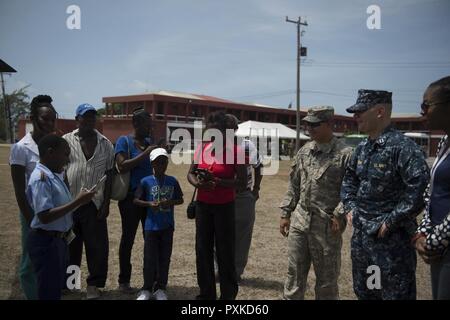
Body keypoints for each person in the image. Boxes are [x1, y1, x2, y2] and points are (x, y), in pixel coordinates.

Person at [341, 89, 430, 300]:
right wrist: (350, 207)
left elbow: (420, 188)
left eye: (361, 111)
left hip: (391, 243)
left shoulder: (403, 148)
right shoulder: (362, 148)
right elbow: (349, 180)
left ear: (380, 111)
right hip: (362, 240)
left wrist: (391, 220)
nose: (355, 116)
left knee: (393, 295)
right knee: (367, 293)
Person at [279, 106, 352, 300]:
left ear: (329, 124)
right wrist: (286, 213)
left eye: (314, 125)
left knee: (326, 281)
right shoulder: (304, 151)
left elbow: (352, 190)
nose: (309, 128)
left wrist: (340, 213)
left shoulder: (346, 154)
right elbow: (294, 185)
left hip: (327, 226)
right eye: (306, 124)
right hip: (300, 222)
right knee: (294, 276)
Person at [26, 134, 96, 300]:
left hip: (57, 241)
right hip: (46, 242)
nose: (67, 160)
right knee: (48, 292)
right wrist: (78, 201)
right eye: (65, 154)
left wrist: (79, 199)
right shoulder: (41, 178)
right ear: (50, 153)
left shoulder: (53, 175)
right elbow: (44, 216)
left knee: (54, 289)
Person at [187, 111, 247, 300]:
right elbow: (191, 173)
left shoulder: (236, 151)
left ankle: (228, 296)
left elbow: (242, 183)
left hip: (225, 207)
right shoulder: (201, 148)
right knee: (202, 251)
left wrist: (218, 181)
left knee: (225, 252)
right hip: (203, 206)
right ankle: (206, 295)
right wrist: (198, 183)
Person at [63, 103, 115, 300]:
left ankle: (94, 285)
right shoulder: (66, 141)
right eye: (86, 116)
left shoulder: (105, 144)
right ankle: (71, 283)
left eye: (93, 116)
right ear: (78, 119)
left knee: (97, 247)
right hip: (71, 203)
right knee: (71, 245)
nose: (90, 120)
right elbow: (61, 170)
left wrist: (106, 203)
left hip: (95, 205)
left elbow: (109, 174)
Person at [9, 94, 57, 300]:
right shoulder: (21, 148)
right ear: (33, 118)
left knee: (49, 259)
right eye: (45, 118)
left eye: (52, 119)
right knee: (30, 262)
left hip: (53, 212)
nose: (49, 123)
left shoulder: (53, 146)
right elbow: (20, 191)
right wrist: (32, 221)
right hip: (32, 213)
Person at [413, 76, 450, 300]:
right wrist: (424, 231)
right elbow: (432, 192)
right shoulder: (445, 141)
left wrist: (435, 240)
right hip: (439, 249)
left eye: (426, 105)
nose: (422, 112)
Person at [115, 107, 159, 292]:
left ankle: (151, 280)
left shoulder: (149, 142)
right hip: (131, 199)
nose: (149, 128)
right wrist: (146, 153)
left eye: (150, 125)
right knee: (128, 239)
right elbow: (122, 166)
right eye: (146, 125)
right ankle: (124, 281)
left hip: (149, 198)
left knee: (150, 238)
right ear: (135, 124)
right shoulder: (124, 141)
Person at [134, 148, 184, 300]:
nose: (161, 165)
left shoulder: (172, 181)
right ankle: (146, 289)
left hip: (167, 226)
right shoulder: (145, 181)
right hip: (151, 226)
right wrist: (149, 204)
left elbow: (180, 199)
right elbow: (136, 200)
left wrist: (171, 202)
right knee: (149, 258)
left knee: (164, 258)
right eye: (157, 162)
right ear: (152, 164)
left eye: (164, 162)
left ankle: (161, 288)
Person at [224, 114, 263, 281]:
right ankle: (220, 269)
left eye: (231, 126)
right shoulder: (214, 146)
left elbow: (259, 166)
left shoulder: (246, 145)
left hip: (243, 197)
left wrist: (256, 189)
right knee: (220, 234)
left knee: (242, 236)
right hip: (221, 196)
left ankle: (236, 271)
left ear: (236, 129)